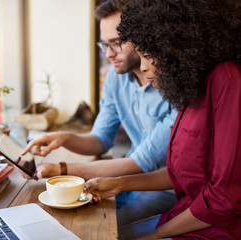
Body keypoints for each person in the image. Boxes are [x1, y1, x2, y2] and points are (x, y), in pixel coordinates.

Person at [83, 0, 241, 239]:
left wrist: (156, 235)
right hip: (184, 214)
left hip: (216, 229)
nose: (144, 67)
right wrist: (121, 183)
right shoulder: (189, 89)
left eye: (148, 55)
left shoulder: (227, 80)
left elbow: (224, 196)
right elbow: (182, 172)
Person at [21, 0, 177, 234]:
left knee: (100, 230)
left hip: (164, 188)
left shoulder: (175, 86)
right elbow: (100, 139)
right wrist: (62, 138)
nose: (109, 53)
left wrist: (62, 169)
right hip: (122, 179)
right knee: (68, 221)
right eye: (104, 45)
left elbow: (142, 162)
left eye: (116, 43)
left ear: (142, 35)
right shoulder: (116, 79)